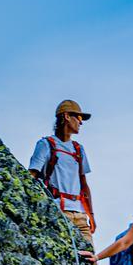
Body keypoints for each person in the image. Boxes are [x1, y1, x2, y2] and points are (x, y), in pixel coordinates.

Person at [29, 100, 95, 248]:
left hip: (80, 215)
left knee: (90, 261)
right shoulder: (46, 144)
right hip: (59, 210)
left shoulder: (78, 149)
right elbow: (31, 175)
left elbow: (84, 184)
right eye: (78, 118)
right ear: (66, 116)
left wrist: (91, 215)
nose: (81, 123)